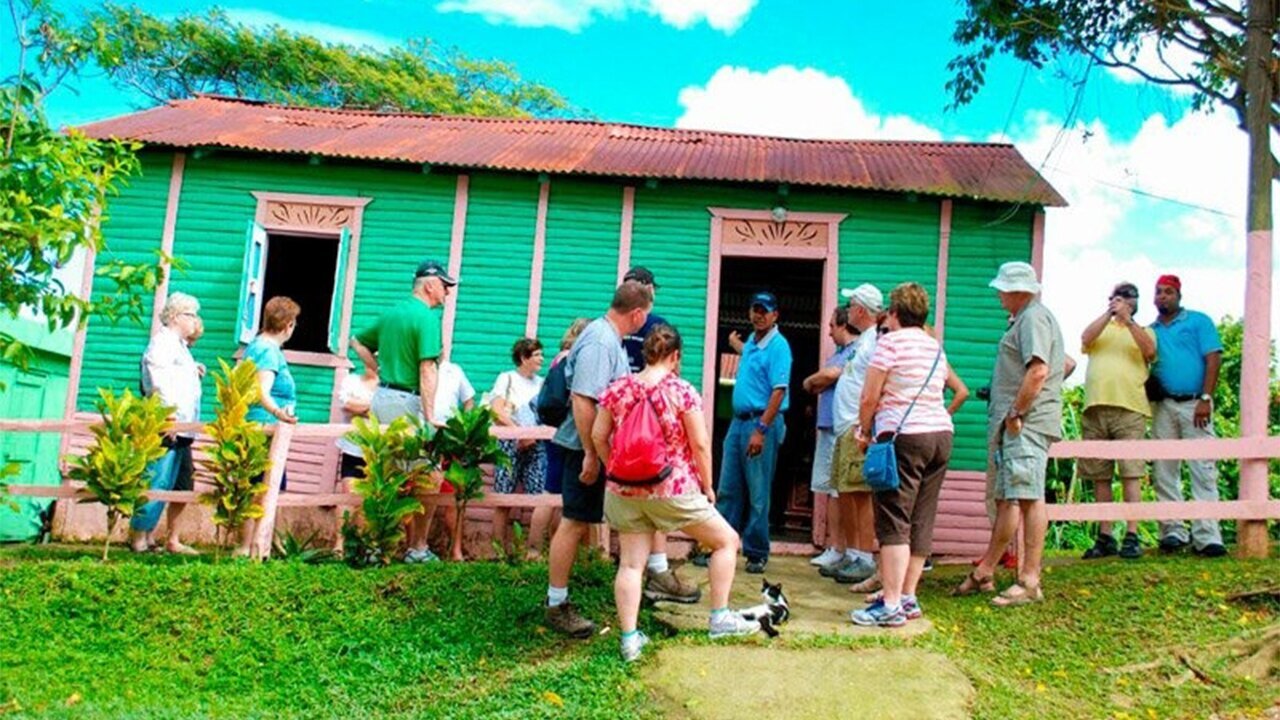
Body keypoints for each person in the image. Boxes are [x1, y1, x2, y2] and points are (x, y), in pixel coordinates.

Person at [593, 325, 760, 662]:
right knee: (727, 541)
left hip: (623, 491)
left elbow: (599, 435)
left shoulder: (617, 389)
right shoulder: (682, 391)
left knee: (630, 564)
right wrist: (709, 486)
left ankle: (629, 640)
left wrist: (615, 468)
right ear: (676, 356)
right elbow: (699, 444)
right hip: (673, 488)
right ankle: (720, 618)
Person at [544, 281, 653, 638]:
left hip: (596, 446)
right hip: (582, 447)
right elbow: (582, 400)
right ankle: (556, 604)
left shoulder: (609, 339)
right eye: (646, 314)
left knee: (587, 520)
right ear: (637, 314)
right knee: (574, 521)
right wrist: (592, 453)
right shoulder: (600, 341)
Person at [956, 262, 1065, 607]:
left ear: (1018, 290)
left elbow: (1038, 371)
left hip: (1026, 424)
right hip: (1016, 424)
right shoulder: (1026, 319)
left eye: (1003, 289)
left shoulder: (1033, 318)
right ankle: (986, 569)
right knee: (1009, 498)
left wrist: (1017, 412)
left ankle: (1030, 578)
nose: (999, 295)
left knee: (1030, 497)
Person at [849, 283, 954, 627]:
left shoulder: (890, 343)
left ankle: (890, 605)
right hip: (940, 435)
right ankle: (908, 597)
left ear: (894, 314)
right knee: (921, 517)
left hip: (904, 438)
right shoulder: (935, 347)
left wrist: (864, 431)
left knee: (894, 518)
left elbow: (869, 397)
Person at [350, 258, 456, 562]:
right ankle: (417, 548)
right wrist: (431, 415)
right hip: (408, 402)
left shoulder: (392, 313)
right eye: (445, 286)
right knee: (430, 474)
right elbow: (427, 369)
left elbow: (357, 342)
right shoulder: (426, 319)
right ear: (429, 285)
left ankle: (374, 546)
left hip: (382, 397)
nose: (447, 292)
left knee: (384, 471)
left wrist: (377, 368)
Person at [617, 266, 700, 604]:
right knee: (656, 485)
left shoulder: (616, 324)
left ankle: (643, 567)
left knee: (634, 487)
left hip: (622, 412)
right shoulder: (656, 325)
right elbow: (672, 369)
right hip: (654, 419)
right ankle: (656, 568)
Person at [1149, 274, 1226, 557]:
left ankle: (1207, 535)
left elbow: (1213, 358)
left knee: (1202, 468)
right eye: (1158, 292)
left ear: (1179, 295)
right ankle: (1172, 530)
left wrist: (1206, 397)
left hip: (1196, 403)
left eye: (1168, 292)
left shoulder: (1198, 321)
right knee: (1164, 469)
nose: (1163, 296)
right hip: (1164, 405)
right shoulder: (1151, 331)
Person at [1079, 282, 1157, 561]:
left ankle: (1132, 535)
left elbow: (1149, 353)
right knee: (1099, 473)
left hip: (1130, 408)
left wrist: (1129, 321)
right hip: (1095, 408)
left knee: (1130, 471)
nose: (1119, 302)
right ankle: (1105, 535)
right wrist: (1108, 314)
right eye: (1115, 298)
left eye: (1125, 298)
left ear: (1135, 302)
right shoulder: (1102, 328)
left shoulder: (1145, 331)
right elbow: (1086, 338)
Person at [716, 291, 792, 574]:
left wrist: (761, 429)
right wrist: (736, 344)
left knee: (758, 490)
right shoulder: (752, 342)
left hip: (761, 422)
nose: (758, 314)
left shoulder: (779, 346)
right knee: (728, 487)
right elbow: (749, 357)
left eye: (764, 310)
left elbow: (778, 390)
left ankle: (757, 551)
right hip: (738, 422)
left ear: (775, 315)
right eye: (755, 309)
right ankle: (720, 545)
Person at [129, 292, 204, 555]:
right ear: (176, 316)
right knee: (156, 479)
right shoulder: (162, 343)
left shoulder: (179, 346)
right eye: (190, 315)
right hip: (168, 425)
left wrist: (195, 370)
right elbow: (158, 380)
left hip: (184, 427)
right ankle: (139, 537)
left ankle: (150, 536)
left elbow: (177, 378)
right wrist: (168, 416)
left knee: (177, 481)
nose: (194, 321)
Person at [825, 285, 884, 587]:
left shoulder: (875, 340)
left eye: (850, 305)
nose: (846, 310)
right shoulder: (864, 341)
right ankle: (852, 552)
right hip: (845, 427)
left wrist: (865, 426)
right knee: (847, 492)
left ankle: (864, 556)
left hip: (855, 427)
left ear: (861, 310)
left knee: (859, 494)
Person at [236, 296, 301, 556]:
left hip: (264, 427)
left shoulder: (256, 346)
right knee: (260, 487)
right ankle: (247, 546)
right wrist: (278, 413)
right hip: (265, 429)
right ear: (288, 325)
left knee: (266, 487)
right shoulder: (268, 350)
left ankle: (265, 543)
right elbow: (262, 390)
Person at [804, 307, 859, 571]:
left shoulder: (855, 350)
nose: (828, 331)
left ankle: (840, 548)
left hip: (843, 429)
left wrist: (811, 381)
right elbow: (824, 379)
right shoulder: (838, 354)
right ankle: (835, 547)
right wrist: (819, 381)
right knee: (828, 489)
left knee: (839, 491)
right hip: (828, 427)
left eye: (831, 326)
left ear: (843, 325)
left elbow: (827, 377)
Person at [490, 337, 548, 558]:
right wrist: (518, 432)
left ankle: (533, 550)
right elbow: (497, 410)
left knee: (538, 497)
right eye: (536, 355)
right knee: (503, 495)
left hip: (536, 442)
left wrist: (532, 435)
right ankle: (497, 551)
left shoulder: (542, 383)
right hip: (509, 442)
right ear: (524, 358)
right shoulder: (507, 379)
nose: (541, 359)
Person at [538, 318, 591, 549]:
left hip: (554, 429)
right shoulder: (573, 358)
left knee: (554, 490)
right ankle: (536, 547)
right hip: (567, 432)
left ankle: (541, 547)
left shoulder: (559, 357)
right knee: (555, 492)